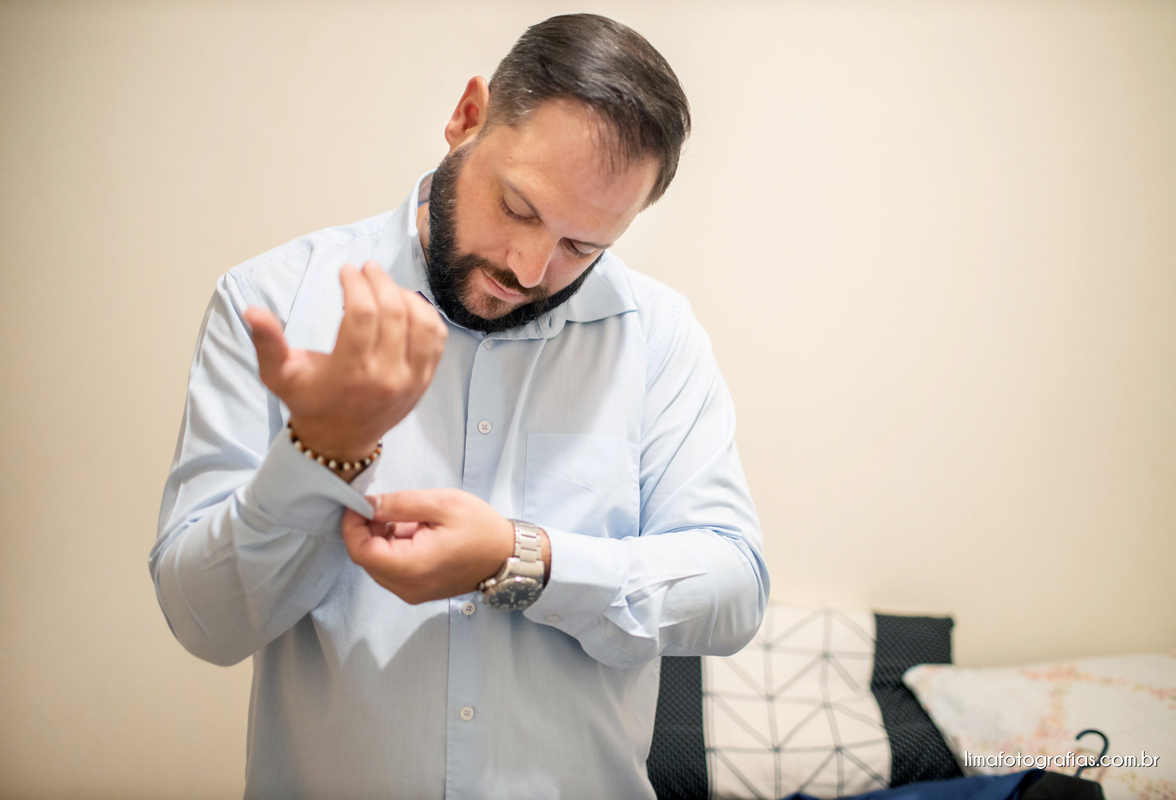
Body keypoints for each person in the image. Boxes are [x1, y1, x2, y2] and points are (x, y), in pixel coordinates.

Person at [151, 13, 769, 800]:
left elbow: (733, 587)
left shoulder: (658, 337)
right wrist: (322, 451)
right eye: (518, 207)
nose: (529, 267)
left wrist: (527, 559)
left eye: (584, 247)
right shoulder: (273, 301)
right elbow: (205, 624)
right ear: (467, 117)